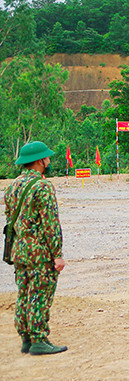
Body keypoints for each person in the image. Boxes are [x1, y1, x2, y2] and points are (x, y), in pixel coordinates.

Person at [5, 141, 67, 355]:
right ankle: (39, 339)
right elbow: (50, 223)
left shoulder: (12, 186)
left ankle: (26, 338)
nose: (49, 161)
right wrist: (57, 254)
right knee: (40, 295)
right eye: (47, 158)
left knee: (24, 293)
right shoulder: (43, 186)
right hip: (40, 252)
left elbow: (10, 220)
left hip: (19, 251)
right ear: (40, 161)